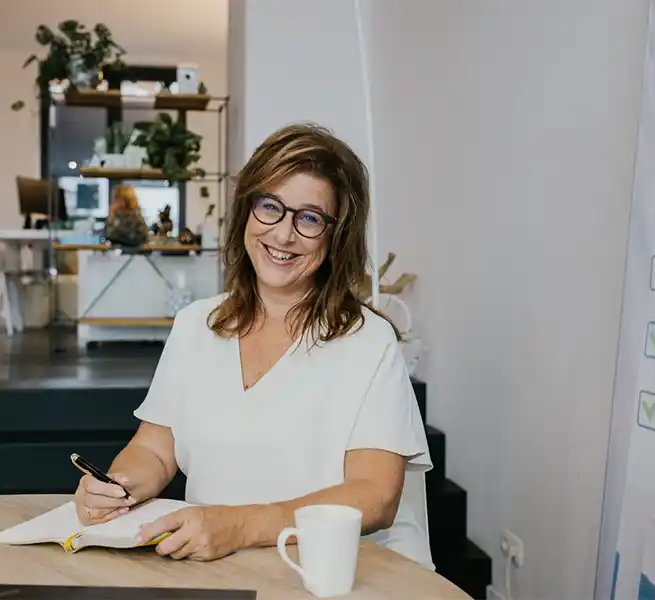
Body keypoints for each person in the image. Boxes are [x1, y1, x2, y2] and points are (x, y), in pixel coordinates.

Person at [74, 123, 433, 569]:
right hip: (221, 570)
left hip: (341, 576)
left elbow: (374, 496)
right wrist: (117, 486)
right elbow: (154, 449)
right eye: (270, 207)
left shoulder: (368, 342)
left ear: (336, 236)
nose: (283, 235)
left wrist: (239, 526)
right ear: (247, 210)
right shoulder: (196, 326)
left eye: (309, 218)